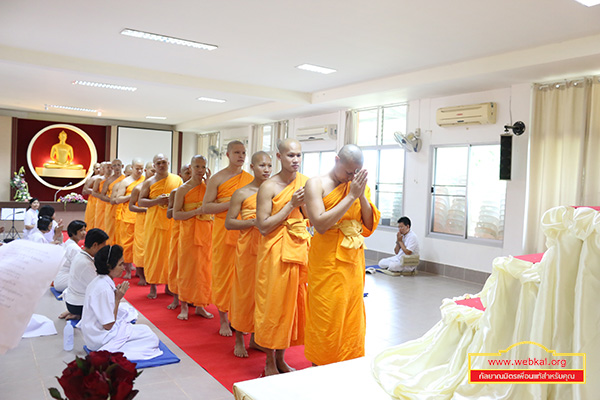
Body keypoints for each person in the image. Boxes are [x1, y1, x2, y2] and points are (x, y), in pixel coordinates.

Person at [303, 144, 381, 366]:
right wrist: (351, 196)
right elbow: (319, 224)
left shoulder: (357, 186)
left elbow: (368, 225)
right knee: (326, 313)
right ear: (336, 160)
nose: (352, 176)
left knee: (351, 312)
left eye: (357, 172)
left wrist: (361, 196)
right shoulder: (315, 184)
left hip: (352, 260)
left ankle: (348, 363)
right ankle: (320, 364)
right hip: (327, 259)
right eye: (349, 171)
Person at [254, 138, 310, 376]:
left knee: (292, 306)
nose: (295, 160)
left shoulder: (306, 182)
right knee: (273, 306)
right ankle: (268, 361)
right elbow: (263, 226)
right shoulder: (269, 186)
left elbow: (310, 216)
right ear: (279, 157)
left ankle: (281, 358)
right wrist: (290, 205)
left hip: (298, 248)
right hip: (274, 251)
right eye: (290, 156)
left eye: (298, 155)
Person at [202, 140, 254, 336]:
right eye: (237, 152)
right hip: (224, 232)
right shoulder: (217, 178)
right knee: (223, 275)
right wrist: (232, 204)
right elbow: (207, 207)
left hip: (246, 231)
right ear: (228, 154)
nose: (241, 156)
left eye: (243, 153)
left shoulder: (250, 179)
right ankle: (223, 319)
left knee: (244, 277)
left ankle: (240, 318)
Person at [225, 151, 272, 358]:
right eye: (262, 165)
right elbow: (229, 222)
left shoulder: (276, 191)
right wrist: (254, 222)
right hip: (247, 249)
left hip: (268, 249)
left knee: (263, 296)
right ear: (252, 167)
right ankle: (239, 339)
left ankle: (256, 338)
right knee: (244, 294)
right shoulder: (242, 193)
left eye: (270, 165)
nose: (267, 170)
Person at [80, 244, 163, 360]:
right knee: (150, 337)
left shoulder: (101, 281)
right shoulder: (103, 288)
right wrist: (118, 299)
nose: (123, 268)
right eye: (120, 264)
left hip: (96, 333)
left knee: (144, 329)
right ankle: (110, 352)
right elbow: (108, 325)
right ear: (109, 266)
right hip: (100, 338)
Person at [173, 157, 214, 320]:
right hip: (188, 234)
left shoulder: (208, 187)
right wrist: (195, 212)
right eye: (197, 166)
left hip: (206, 233)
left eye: (203, 167)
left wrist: (210, 183)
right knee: (187, 270)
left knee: (204, 270)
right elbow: (176, 214)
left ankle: (200, 305)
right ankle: (184, 305)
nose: (200, 170)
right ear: (191, 167)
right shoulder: (182, 189)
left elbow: (214, 204)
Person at [138, 154, 183, 299]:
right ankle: (152, 286)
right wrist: (156, 201)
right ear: (154, 165)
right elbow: (141, 202)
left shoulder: (176, 180)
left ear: (168, 163)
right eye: (158, 163)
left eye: (164, 162)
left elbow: (183, 196)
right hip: (154, 222)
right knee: (154, 254)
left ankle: (170, 286)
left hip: (172, 221)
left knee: (171, 254)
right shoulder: (149, 182)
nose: (162, 165)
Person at [63, 228, 109, 320]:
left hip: (73, 302)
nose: (104, 250)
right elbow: (99, 289)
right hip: (78, 305)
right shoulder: (86, 263)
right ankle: (80, 313)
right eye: (103, 246)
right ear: (95, 245)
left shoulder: (81, 255)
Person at [112, 158, 145, 279]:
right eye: (137, 168)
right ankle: (127, 269)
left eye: (141, 168)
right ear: (132, 167)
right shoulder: (126, 182)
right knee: (127, 244)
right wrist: (133, 195)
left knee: (141, 244)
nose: (139, 171)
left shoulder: (145, 181)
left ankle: (140, 269)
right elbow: (117, 199)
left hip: (142, 216)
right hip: (128, 216)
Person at [165, 163, 192, 312]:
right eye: (186, 173)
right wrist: (177, 207)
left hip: (198, 233)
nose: (189, 175)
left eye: (191, 172)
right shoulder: (176, 192)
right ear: (181, 175)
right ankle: (178, 299)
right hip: (179, 232)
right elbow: (170, 214)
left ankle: (197, 301)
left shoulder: (203, 190)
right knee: (178, 265)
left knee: (196, 267)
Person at [129, 162, 156, 286]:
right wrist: (147, 209)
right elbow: (131, 207)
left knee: (154, 247)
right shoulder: (138, 188)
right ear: (146, 171)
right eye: (152, 171)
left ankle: (154, 274)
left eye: (156, 171)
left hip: (156, 221)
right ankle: (141, 275)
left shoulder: (159, 187)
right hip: (142, 220)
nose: (154, 173)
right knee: (141, 247)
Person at [55, 220, 87, 294]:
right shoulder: (74, 248)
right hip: (63, 282)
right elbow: (80, 268)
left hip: (60, 279)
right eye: (81, 230)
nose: (84, 233)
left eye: (84, 230)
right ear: (73, 232)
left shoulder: (69, 242)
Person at [103, 159, 125, 244]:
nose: (117, 167)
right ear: (112, 168)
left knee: (121, 229)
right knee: (110, 228)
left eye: (119, 165)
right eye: (115, 166)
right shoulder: (109, 180)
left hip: (122, 206)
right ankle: (109, 247)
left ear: (122, 166)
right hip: (111, 207)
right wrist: (111, 200)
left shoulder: (125, 179)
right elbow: (102, 195)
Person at [92, 162, 113, 231]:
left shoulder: (116, 179)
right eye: (108, 167)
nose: (110, 169)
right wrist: (103, 196)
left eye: (111, 167)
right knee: (100, 223)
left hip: (111, 205)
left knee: (110, 224)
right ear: (104, 169)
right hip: (101, 204)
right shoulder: (99, 179)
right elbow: (94, 192)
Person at [83, 163, 102, 229]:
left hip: (103, 201)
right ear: (93, 169)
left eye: (100, 168)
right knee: (92, 219)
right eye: (97, 168)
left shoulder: (107, 178)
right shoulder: (92, 178)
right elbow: (84, 190)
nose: (99, 170)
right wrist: (97, 192)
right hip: (93, 200)